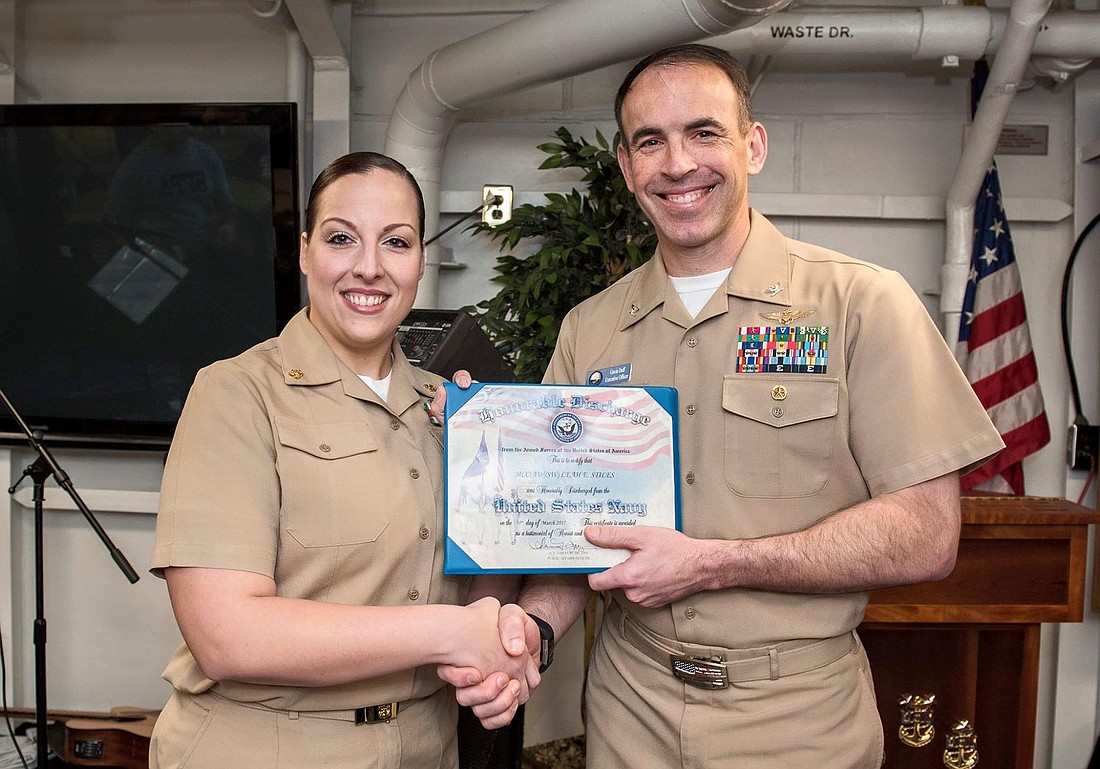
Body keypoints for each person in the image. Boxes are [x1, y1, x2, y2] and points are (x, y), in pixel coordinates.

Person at [447, 44, 1005, 767]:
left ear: (754, 144)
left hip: (798, 719)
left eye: (704, 133)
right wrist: (535, 630)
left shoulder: (860, 304)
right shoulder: (591, 327)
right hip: (629, 709)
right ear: (626, 166)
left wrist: (713, 563)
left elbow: (927, 534)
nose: (678, 164)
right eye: (651, 141)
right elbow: (568, 537)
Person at [148, 151, 538, 769]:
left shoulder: (451, 410)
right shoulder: (236, 394)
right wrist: (452, 633)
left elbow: (485, 585)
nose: (369, 269)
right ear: (304, 252)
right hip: (268, 747)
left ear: (419, 261)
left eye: (397, 243)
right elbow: (225, 635)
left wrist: (501, 653)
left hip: (427, 745)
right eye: (341, 239)